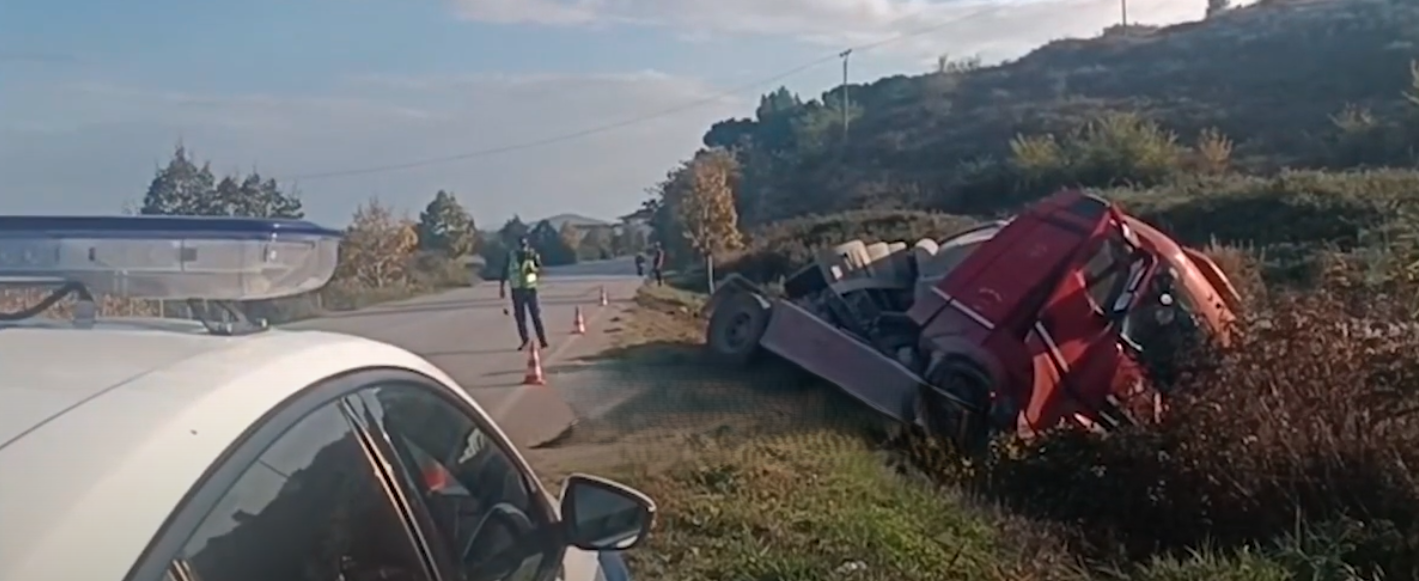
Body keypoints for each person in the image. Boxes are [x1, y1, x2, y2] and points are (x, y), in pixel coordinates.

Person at [499, 236, 549, 351]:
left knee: (535, 316)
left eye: (524, 245)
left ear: (527, 245)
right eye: (521, 245)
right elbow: (504, 271)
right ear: (517, 246)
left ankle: (543, 340)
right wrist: (501, 287)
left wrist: (536, 275)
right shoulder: (511, 256)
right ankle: (525, 340)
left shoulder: (532, 255)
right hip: (517, 290)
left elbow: (540, 269)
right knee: (520, 317)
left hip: (530, 289)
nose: (522, 247)